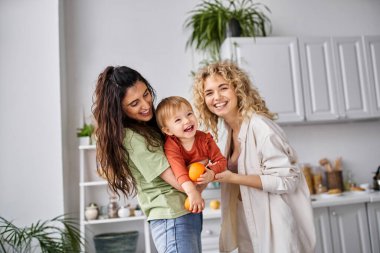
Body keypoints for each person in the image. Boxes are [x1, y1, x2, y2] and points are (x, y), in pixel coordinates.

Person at [192, 61, 316, 253]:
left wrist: (233, 178)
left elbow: (287, 180)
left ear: (238, 89)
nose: (216, 97)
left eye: (223, 88)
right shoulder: (226, 133)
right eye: (209, 93)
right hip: (247, 223)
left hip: (274, 225)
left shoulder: (261, 127)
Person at [92, 66, 202, 253]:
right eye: (134, 103)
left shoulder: (148, 127)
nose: (145, 104)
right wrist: (209, 172)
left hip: (184, 213)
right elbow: (178, 181)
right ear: (119, 109)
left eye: (146, 94)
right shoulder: (131, 137)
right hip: (172, 218)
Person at [155, 96, 227, 213]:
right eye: (178, 120)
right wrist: (192, 192)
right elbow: (180, 172)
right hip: (183, 191)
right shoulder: (172, 145)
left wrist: (211, 172)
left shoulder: (205, 140)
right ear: (168, 131)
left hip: (199, 182)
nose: (187, 120)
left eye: (189, 114)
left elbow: (222, 161)